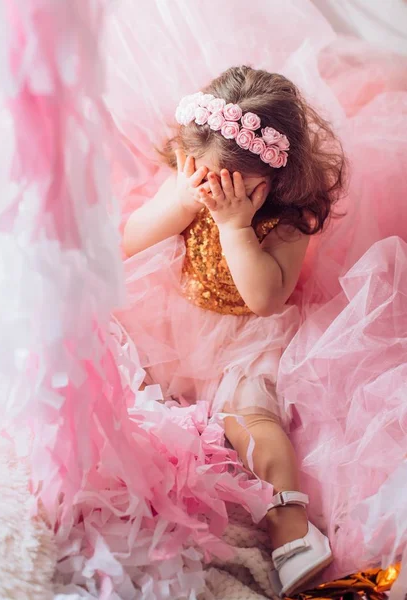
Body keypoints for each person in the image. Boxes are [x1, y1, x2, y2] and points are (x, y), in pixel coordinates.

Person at [120, 65, 346, 595]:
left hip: (244, 336)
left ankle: (290, 525)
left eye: (228, 186)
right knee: (121, 375)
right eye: (198, 173)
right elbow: (131, 240)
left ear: (271, 184)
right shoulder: (191, 181)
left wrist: (234, 226)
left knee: (252, 418)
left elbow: (265, 299)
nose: (209, 190)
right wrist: (180, 199)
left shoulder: (288, 220)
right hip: (172, 317)